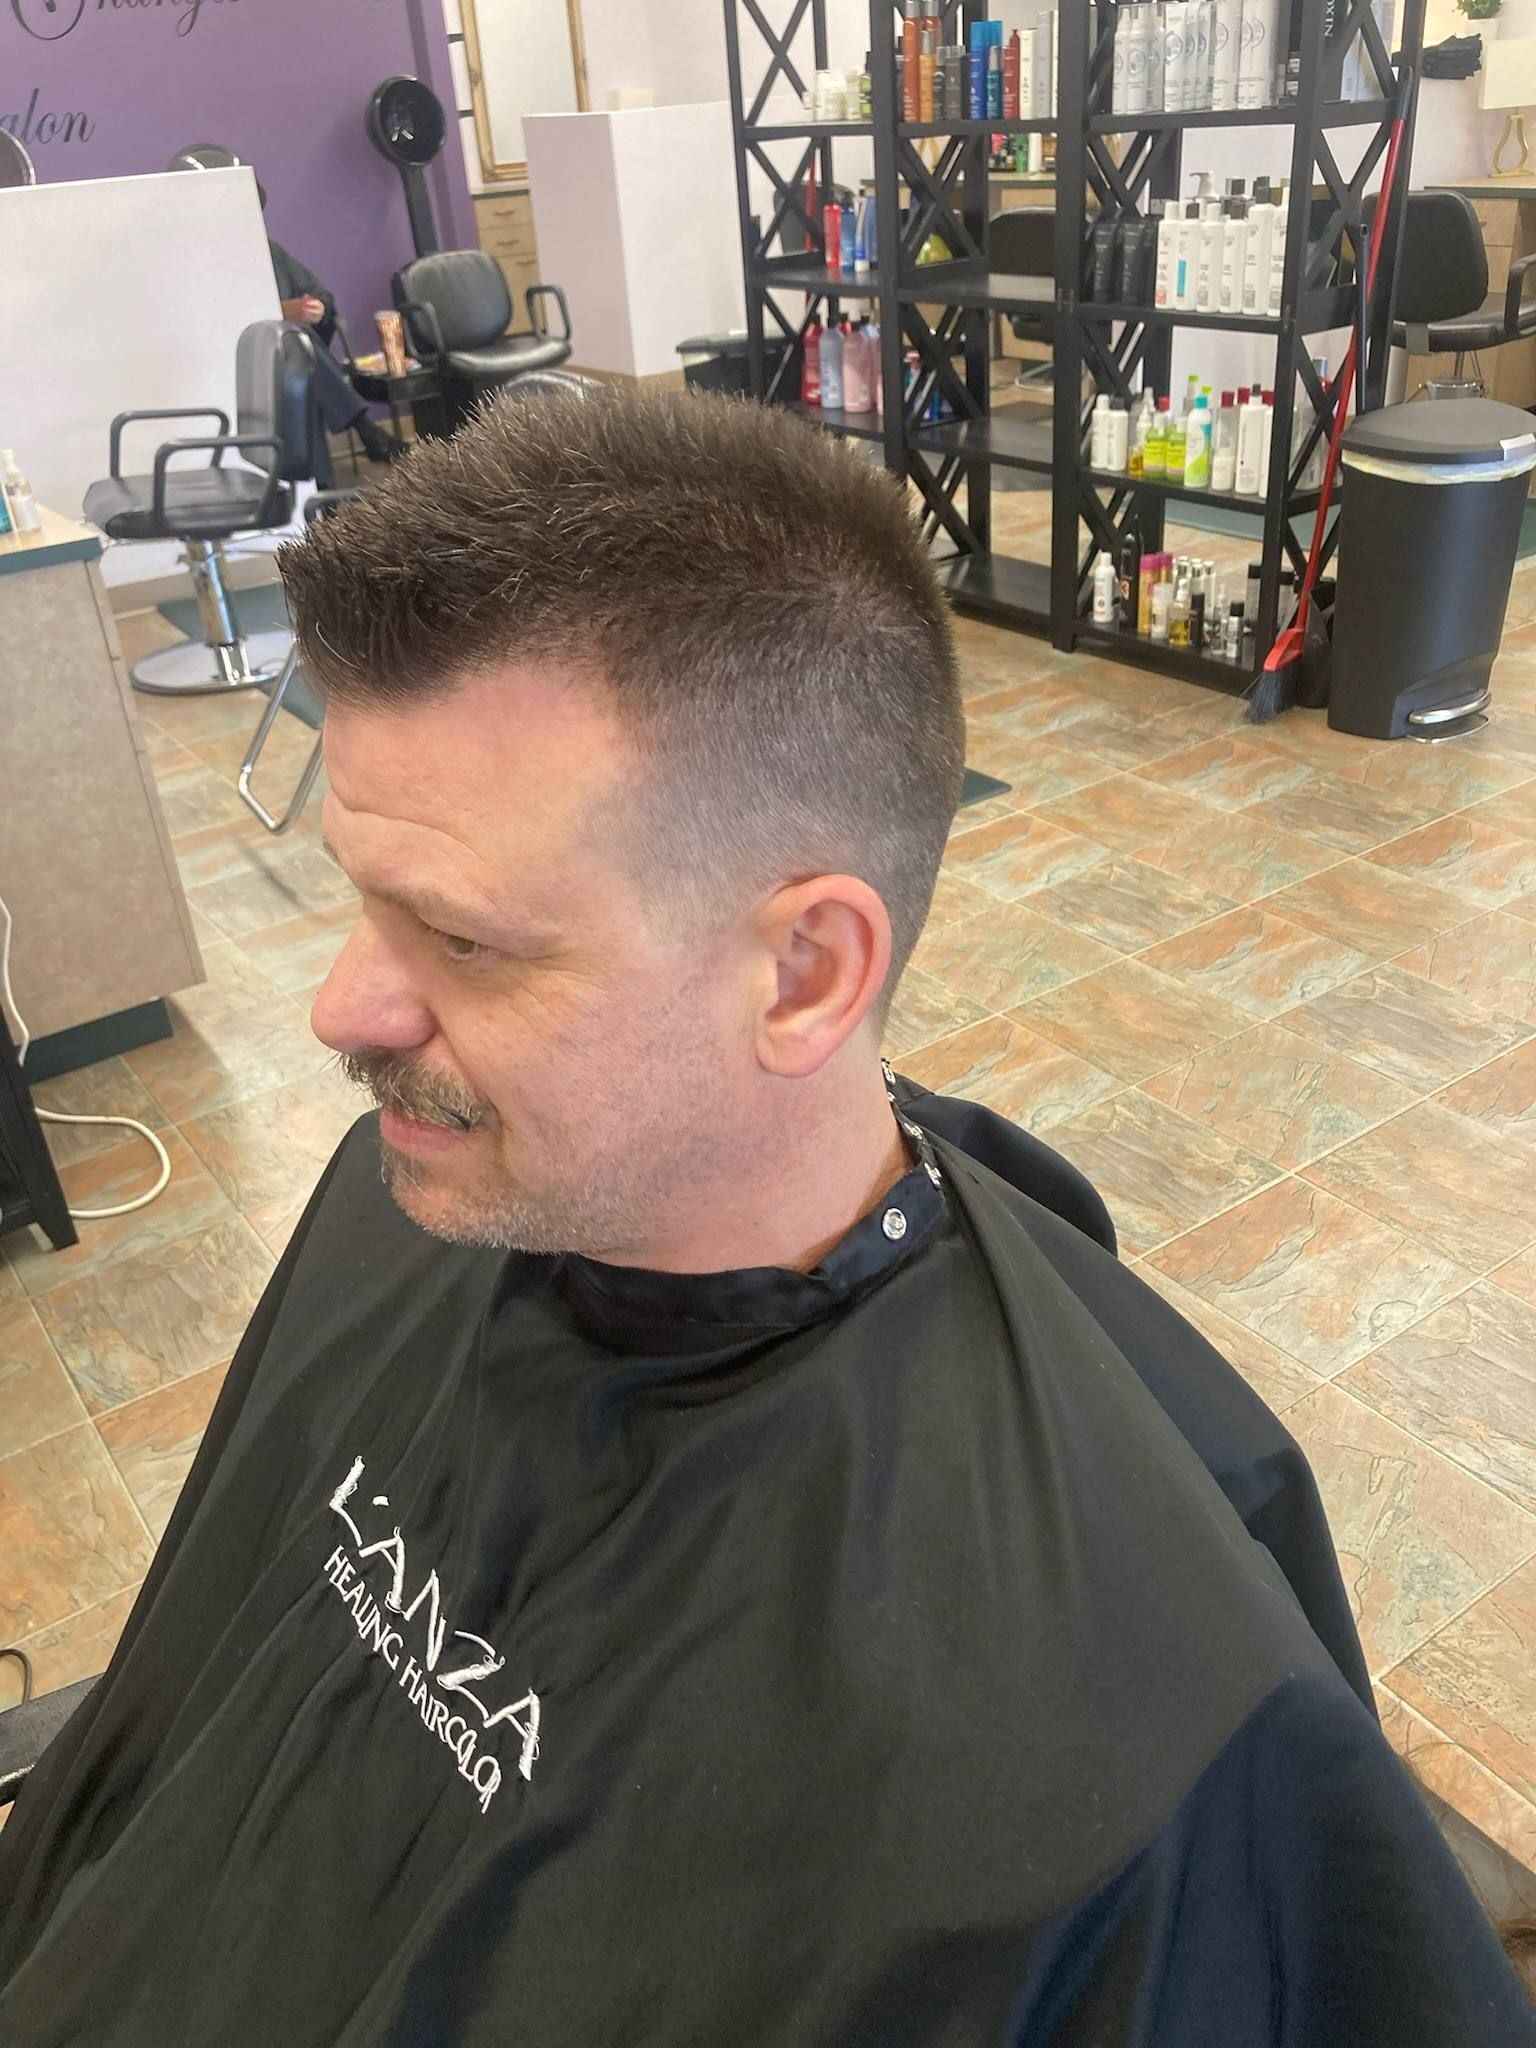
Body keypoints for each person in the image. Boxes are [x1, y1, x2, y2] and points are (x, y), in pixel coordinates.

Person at [0, 389, 1531, 2047]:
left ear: (803, 971)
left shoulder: (1123, 1722)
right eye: (366, 905)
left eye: (463, 940)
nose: (344, 1010)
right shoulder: (416, 1207)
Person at [268, 229, 404, 470]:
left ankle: (362, 435)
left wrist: (319, 308)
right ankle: (366, 428)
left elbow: (321, 295)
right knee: (301, 341)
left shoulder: (273, 252)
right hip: (263, 359)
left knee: (304, 347)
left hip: (298, 360)